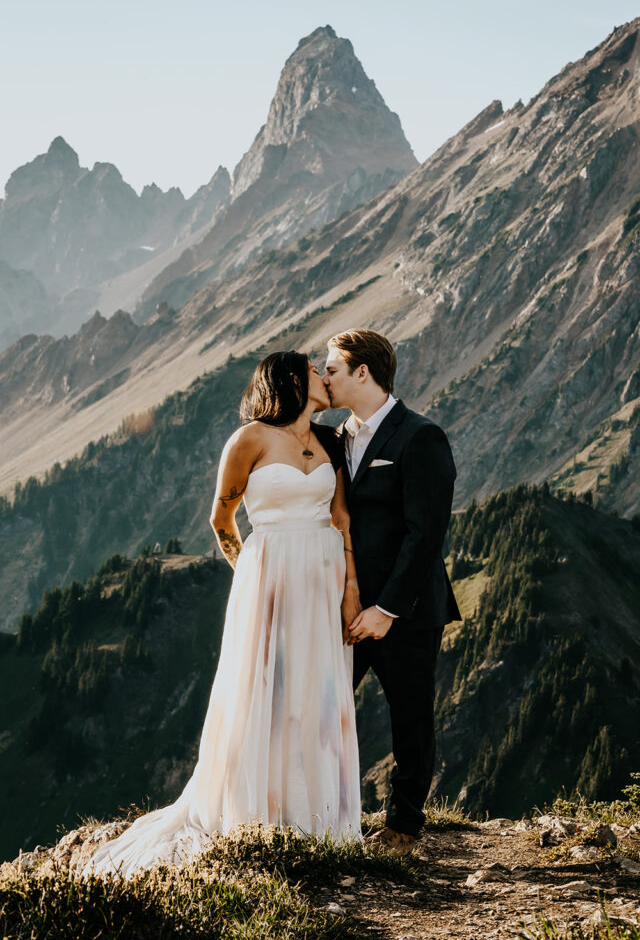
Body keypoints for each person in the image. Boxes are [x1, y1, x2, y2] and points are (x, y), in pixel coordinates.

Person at [82, 351, 362, 879]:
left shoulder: (329, 442)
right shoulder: (250, 439)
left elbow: (342, 518)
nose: (324, 379)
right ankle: (261, 815)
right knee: (266, 691)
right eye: (313, 372)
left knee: (318, 694)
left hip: (324, 578)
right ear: (290, 381)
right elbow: (222, 519)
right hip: (271, 575)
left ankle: (320, 818)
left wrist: (351, 588)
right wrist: (252, 574)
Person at [323, 328, 461, 856]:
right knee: (324, 711)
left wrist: (387, 609)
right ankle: (326, 815)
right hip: (346, 609)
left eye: (332, 368)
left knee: (410, 719)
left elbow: (426, 532)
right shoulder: (334, 438)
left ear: (363, 372)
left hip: (405, 610)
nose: (325, 377)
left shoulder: (420, 436)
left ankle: (403, 826)